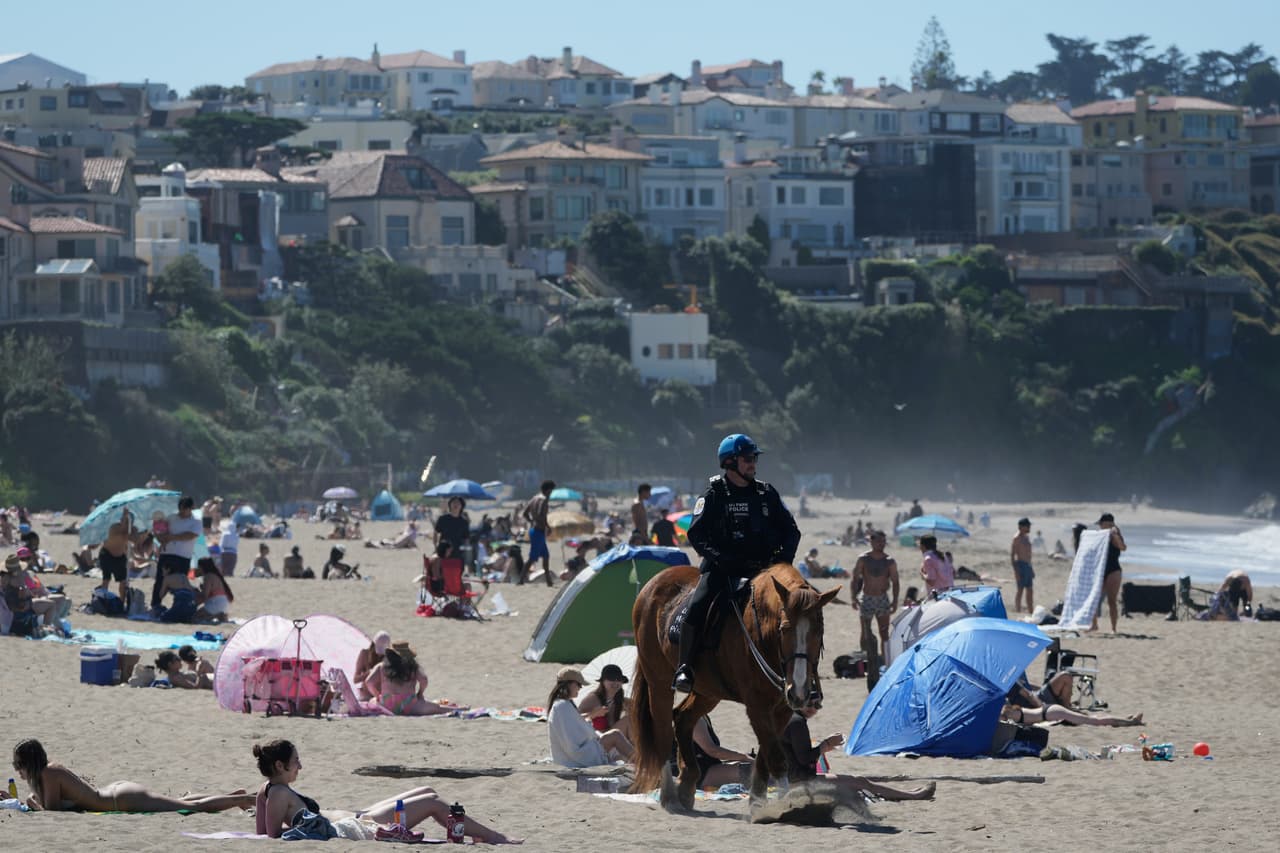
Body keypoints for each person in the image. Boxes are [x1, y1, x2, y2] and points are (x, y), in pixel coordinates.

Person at [673, 433, 801, 693]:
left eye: (754, 458)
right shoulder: (713, 494)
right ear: (730, 462)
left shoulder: (766, 493)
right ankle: (684, 667)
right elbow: (696, 535)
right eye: (747, 459)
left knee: (800, 605)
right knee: (698, 605)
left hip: (764, 569)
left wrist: (781, 563)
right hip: (722, 570)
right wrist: (722, 560)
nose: (753, 463)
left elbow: (792, 531)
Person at [252, 739, 520, 843]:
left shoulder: (269, 789)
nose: (300, 765)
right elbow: (272, 836)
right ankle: (496, 837)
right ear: (279, 764)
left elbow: (260, 833)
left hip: (357, 816)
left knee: (427, 789)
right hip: (357, 826)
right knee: (434, 803)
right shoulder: (278, 793)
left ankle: (485, 835)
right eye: (296, 760)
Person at [12, 738, 252, 813]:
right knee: (183, 800)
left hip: (121, 799)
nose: (19, 772)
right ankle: (234, 796)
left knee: (192, 807)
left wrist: (34, 804)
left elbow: (53, 812)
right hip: (117, 793)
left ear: (30, 763)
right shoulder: (49, 771)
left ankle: (246, 799)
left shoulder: (49, 773)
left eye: (19, 766)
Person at [781, 706, 935, 800]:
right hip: (801, 783)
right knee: (861, 783)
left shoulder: (788, 718)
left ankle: (908, 793)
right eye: (810, 704)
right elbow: (804, 759)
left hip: (795, 780)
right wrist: (826, 744)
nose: (813, 709)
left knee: (860, 782)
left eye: (817, 705)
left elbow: (797, 755)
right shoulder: (797, 723)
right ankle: (913, 795)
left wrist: (824, 747)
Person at [546, 667, 632, 767]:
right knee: (615, 735)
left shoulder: (564, 704)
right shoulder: (563, 706)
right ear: (568, 684)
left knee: (618, 745)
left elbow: (576, 726)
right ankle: (644, 765)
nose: (580, 687)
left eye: (619, 680)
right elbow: (576, 737)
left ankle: (639, 763)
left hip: (580, 751)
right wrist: (593, 716)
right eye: (578, 684)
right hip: (579, 755)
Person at [850, 530, 899, 684]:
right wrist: (853, 597)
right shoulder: (863, 559)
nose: (881, 544)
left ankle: (886, 664)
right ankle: (866, 664)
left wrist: (895, 600)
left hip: (882, 599)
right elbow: (855, 578)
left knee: (884, 633)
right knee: (865, 634)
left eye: (883, 542)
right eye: (878, 542)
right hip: (867, 599)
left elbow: (896, 582)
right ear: (871, 542)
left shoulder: (889, 561)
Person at [363, 645, 466, 716]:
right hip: (409, 704)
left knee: (371, 702)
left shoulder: (382, 666)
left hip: (388, 704)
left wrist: (377, 696)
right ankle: (460, 709)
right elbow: (424, 680)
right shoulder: (412, 667)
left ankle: (457, 709)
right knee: (438, 708)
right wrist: (420, 693)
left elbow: (369, 682)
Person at [152, 496, 201, 610]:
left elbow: (190, 535)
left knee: (180, 583)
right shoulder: (171, 518)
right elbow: (162, 531)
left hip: (183, 557)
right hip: (166, 554)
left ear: (191, 508)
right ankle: (155, 604)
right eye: (180, 509)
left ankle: (178, 605)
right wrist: (160, 535)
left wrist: (171, 537)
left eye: (184, 509)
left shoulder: (196, 522)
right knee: (160, 581)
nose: (182, 512)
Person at [1092, 513, 1126, 632]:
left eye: (1101, 523)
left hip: (1113, 570)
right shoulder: (1100, 535)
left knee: (1111, 600)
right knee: (1094, 599)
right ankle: (1094, 625)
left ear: (1109, 523)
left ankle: (1113, 628)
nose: (1100, 526)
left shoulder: (1115, 534)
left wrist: (1115, 535)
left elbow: (1123, 548)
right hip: (1100, 569)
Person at [576, 663, 629, 736]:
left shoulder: (620, 699)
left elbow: (640, 709)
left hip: (614, 738)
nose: (616, 683)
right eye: (612, 679)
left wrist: (630, 710)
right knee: (628, 720)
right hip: (597, 739)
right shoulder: (593, 698)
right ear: (603, 681)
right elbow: (574, 719)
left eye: (619, 679)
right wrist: (593, 714)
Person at [521, 481, 555, 587]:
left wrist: (532, 521)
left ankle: (549, 581)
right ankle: (521, 579)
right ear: (548, 490)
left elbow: (525, 513)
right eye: (551, 491)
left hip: (535, 531)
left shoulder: (534, 498)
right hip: (538, 532)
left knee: (545, 556)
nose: (551, 493)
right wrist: (547, 526)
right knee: (532, 558)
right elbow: (541, 515)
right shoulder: (544, 500)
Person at [1000, 702, 1143, 727]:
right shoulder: (1010, 710)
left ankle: (1132, 722)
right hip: (1049, 710)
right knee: (1089, 718)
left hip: (1051, 712)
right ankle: (1126, 719)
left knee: (1094, 721)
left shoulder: (1008, 714)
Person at [97, 508, 132, 602]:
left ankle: (122, 601)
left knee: (123, 581)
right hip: (107, 554)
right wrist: (124, 517)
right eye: (125, 520)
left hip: (120, 557)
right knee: (106, 579)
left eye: (129, 521)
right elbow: (121, 534)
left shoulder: (130, 531)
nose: (126, 523)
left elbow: (131, 541)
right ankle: (102, 600)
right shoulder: (114, 527)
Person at [194, 557, 234, 622]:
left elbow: (205, 596)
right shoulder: (215, 575)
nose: (197, 569)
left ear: (202, 567)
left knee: (195, 618)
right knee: (201, 617)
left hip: (215, 604)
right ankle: (220, 615)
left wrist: (194, 603)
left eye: (198, 567)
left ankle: (217, 615)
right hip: (223, 604)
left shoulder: (208, 577)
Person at [353, 631, 391, 700]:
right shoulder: (364, 654)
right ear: (373, 644)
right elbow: (355, 680)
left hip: (381, 698)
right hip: (366, 696)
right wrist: (367, 674)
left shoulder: (388, 658)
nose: (379, 655)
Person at [1011, 518, 1035, 613]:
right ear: (1021, 527)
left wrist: (1031, 568)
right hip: (1020, 565)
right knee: (1020, 589)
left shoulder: (1026, 537)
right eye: (1027, 526)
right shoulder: (1017, 538)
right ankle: (1017, 610)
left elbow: (1028, 554)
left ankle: (1030, 610)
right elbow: (1013, 555)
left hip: (1027, 565)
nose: (1029, 528)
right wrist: (1016, 571)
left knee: (1030, 590)